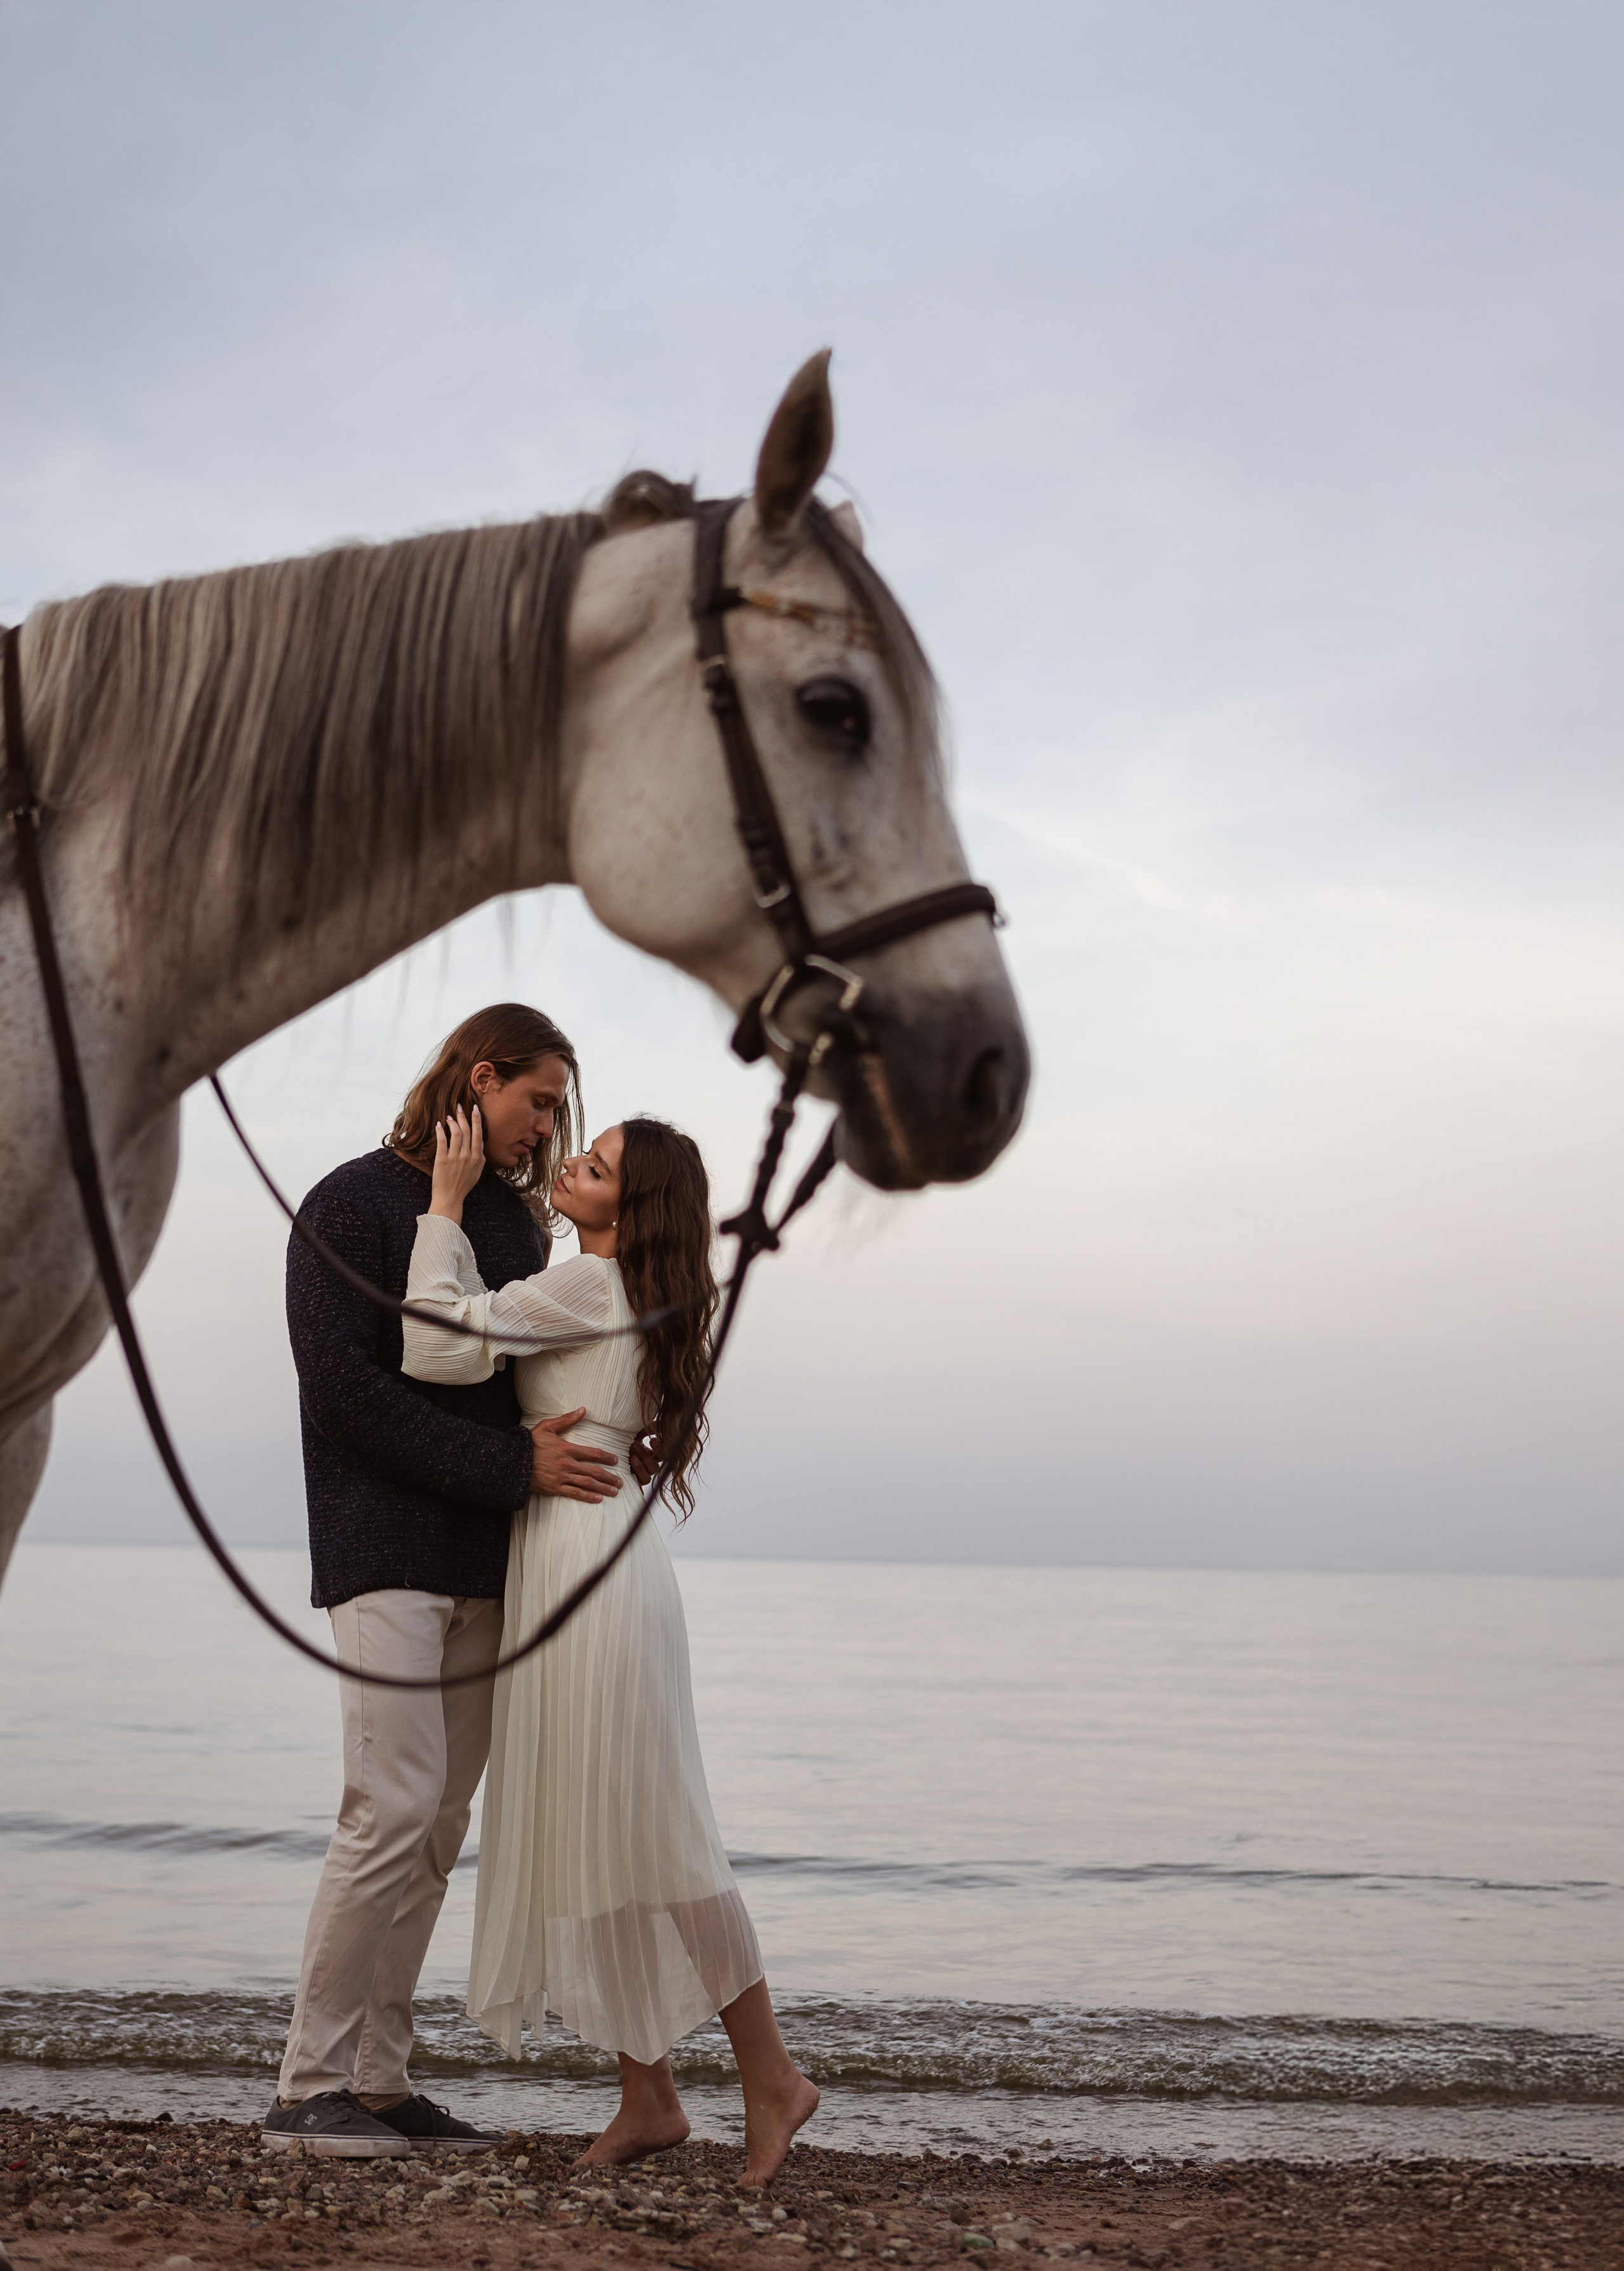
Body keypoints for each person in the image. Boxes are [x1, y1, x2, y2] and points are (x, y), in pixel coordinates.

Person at [400, 1105, 819, 2186]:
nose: (570, 1168)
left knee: (657, 1832)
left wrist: (444, 1206)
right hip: (589, 1555)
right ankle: (650, 2098)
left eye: (594, 1168)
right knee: (614, 1827)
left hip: (583, 1565)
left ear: (632, 1215)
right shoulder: (626, 1290)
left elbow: (441, 1341)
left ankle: (771, 2078)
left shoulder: (590, 1280)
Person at [266, 1004, 636, 2161]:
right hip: (384, 1552)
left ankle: (379, 2082)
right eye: (539, 1102)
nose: (548, 1129)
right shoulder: (346, 1205)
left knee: (436, 1826)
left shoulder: (519, 1228)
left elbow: (526, 1376)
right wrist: (510, 1465)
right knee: (387, 1808)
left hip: (493, 1557)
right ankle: (305, 2086)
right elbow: (346, 1397)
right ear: (482, 1078)